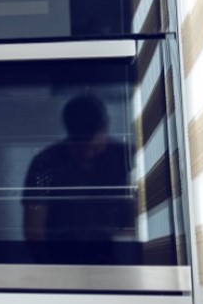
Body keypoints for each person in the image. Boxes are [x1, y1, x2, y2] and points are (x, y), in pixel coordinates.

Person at [22, 94, 135, 264]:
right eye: (80, 148)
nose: (88, 154)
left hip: (116, 259)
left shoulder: (127, 158)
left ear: (107, 126)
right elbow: (34, 230)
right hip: (61, 260)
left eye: (95, 148)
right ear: (69, 134)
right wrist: (48, 270)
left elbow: (139, 217)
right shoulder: (45, 164)